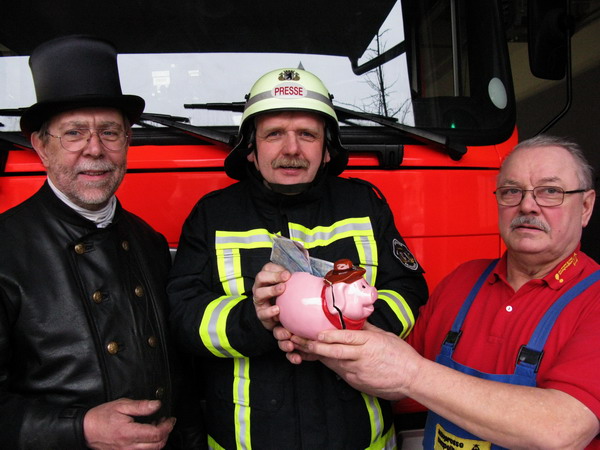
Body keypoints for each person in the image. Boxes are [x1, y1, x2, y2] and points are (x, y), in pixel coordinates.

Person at [167, 68, 428, 449]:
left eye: (307, 134)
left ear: (327, 150)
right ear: (251, 150)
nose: (291, 149)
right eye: (274, 134)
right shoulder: (213, 216)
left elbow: (408, 290)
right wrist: (257, 320)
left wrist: (343, 327)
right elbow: (183, 316)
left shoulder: (364, 205)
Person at [284, 135, 600, 449]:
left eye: (550, 192)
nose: (527, 205)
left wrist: (412, 374)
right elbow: (393, 377)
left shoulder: (593, 299)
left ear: (586, 206)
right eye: (511, 191)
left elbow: (563, 430)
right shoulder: (462, 281)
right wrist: (322, 330)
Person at [0, 35, 201, 449]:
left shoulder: (149, 241)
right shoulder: (4, 247)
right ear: (40, 145)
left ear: (128, 141)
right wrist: (80, 429)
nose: (95, 150)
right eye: (74, 133)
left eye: (109, 132)